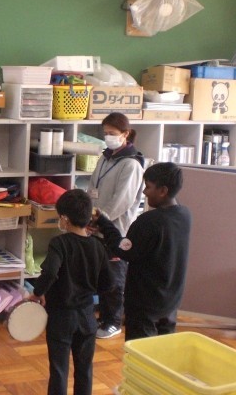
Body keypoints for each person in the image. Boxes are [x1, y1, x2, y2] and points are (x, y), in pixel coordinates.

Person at [93, 162, 192, 342]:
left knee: (139, 350)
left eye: (148, 187)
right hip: (171, 300)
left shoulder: (149, 221)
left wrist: (104, 224)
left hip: (145, 302)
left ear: (163, 190)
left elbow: (124, 250)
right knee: (165, 348)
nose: (145, 192)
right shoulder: (185, 214)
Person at [29, 189, 114, 395]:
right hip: (87, 316)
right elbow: (109, 283)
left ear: (65, 219)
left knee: (59, 370)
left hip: (61, 317)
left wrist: (38, 293)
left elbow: (50, 272)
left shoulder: (59, 243)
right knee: (85, 369)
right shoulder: (98, 246)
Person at [88, 112, 145, 339]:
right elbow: (93, 188)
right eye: (105, 133)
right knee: (102, 277)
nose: (108, 137)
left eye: (112, 133)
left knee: (114, 280)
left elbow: (122, 200)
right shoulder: (105, 158)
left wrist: (100, 220)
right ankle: (103, 317)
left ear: (125, 134)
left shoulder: (131, 164)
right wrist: (89, 216)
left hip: (116, 230)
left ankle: (113, 321)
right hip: (97, 225)